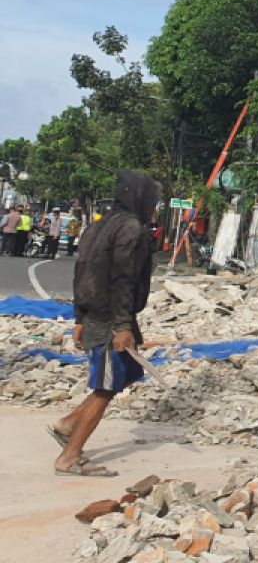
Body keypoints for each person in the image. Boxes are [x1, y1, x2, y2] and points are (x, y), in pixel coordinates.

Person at [49, 171, 160, 477]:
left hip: (99, 315)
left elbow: (80, 273)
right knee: (106, 386)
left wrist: (80, 317)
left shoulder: (97, 227)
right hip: (112, 318)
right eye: (153, 199)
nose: (155, 206)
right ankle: (69, 456)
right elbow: (122, 280)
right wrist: (122, 326)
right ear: (140, 197)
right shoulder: (133, 230)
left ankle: (68, 424)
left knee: (128, 372)